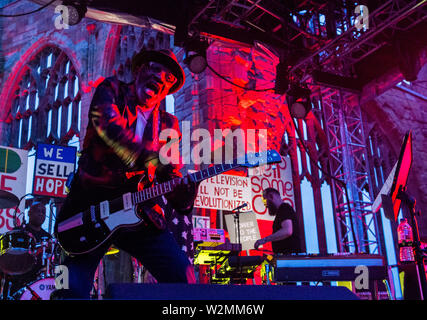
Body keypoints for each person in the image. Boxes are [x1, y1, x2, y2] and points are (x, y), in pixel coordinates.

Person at [54, 49, 198, 299]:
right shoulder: (111, 90)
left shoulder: (168, 125)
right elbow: (108, 129)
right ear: (139, 70)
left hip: (141, 214)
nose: (161, 77)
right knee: (70, 287)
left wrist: (184, 194)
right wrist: (151, 160)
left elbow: (170, 176)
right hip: (89, 208)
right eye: (154, 69)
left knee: (183, 277)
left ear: (167, 90)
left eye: (168, 78)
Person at [254, 188, 301, 254]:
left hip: (289, 258)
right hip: (284, 257)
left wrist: (264, 240)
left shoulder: (284, 208)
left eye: (265, 200)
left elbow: (287, 231)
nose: (266, 205)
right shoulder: (282, 210)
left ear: (271, 196)